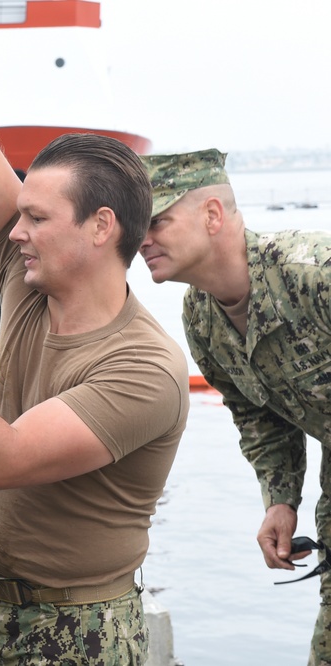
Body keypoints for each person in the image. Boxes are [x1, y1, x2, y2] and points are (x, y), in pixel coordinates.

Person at [0, 17, 191, 664]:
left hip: (77, 633)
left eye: (36, 218)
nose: (15, 230)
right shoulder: (30, 278)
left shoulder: (144, 367)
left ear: (101, 228)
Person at [140, 148, 331, 663]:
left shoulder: (315, 275)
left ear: (212, 215)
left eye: (157, 220)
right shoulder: (201, 317)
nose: (141, 239)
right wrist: (280, 499)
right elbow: (256, 413)